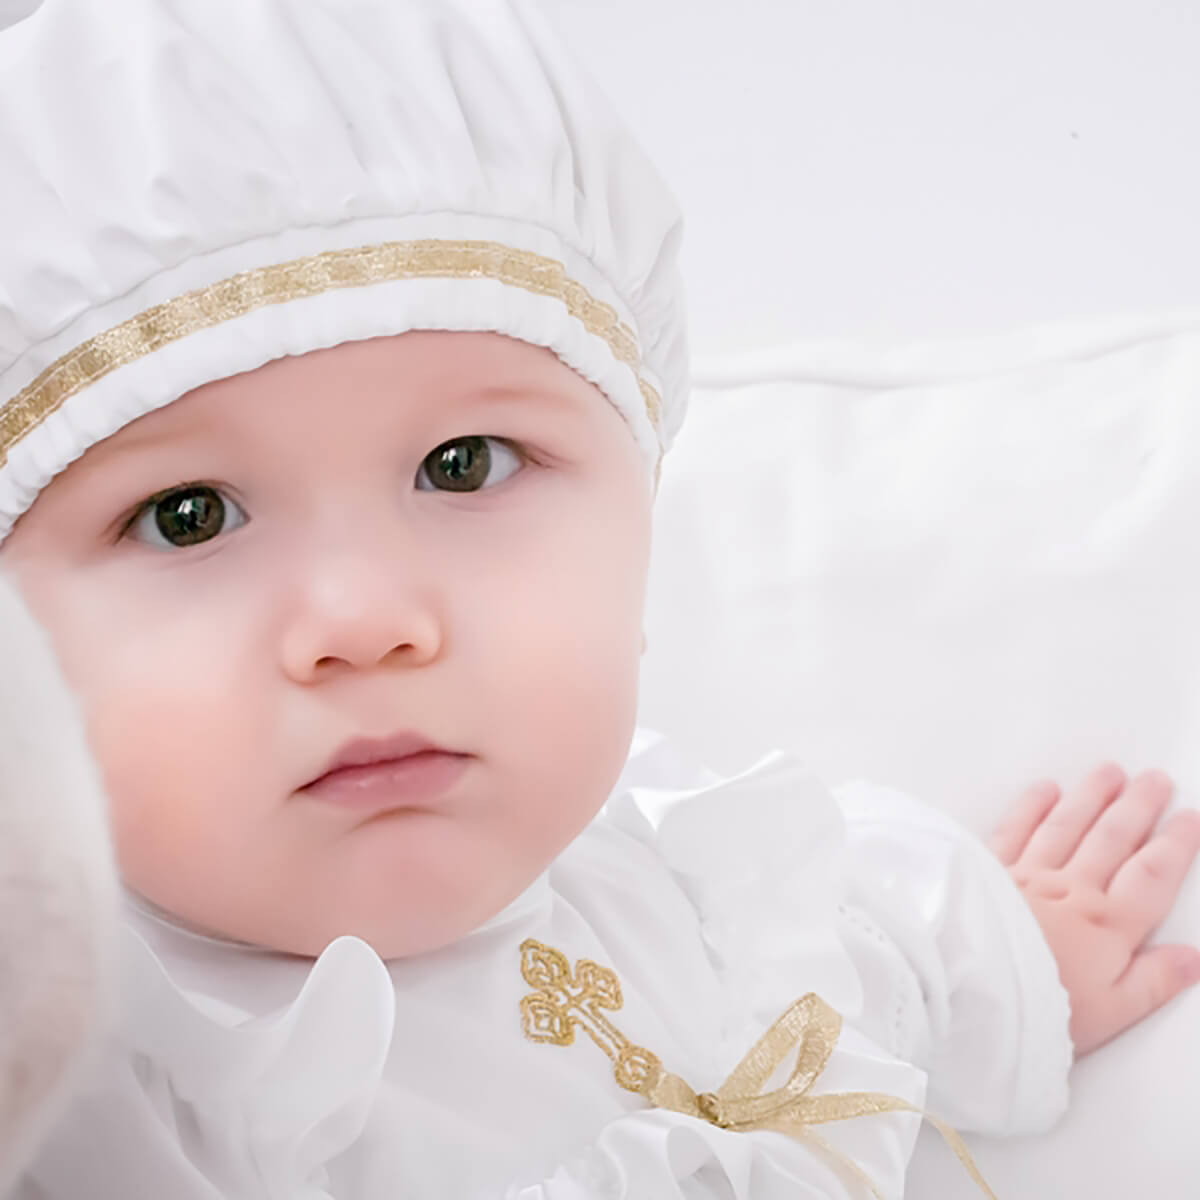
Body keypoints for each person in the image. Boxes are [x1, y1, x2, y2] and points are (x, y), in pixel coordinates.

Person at [1, 0, 1197, 1195]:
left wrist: (1016, 958)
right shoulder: (132, 1111)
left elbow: (860, 961)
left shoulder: (679, 872)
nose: (369, 621)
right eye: (187, 514)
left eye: (463, 462)